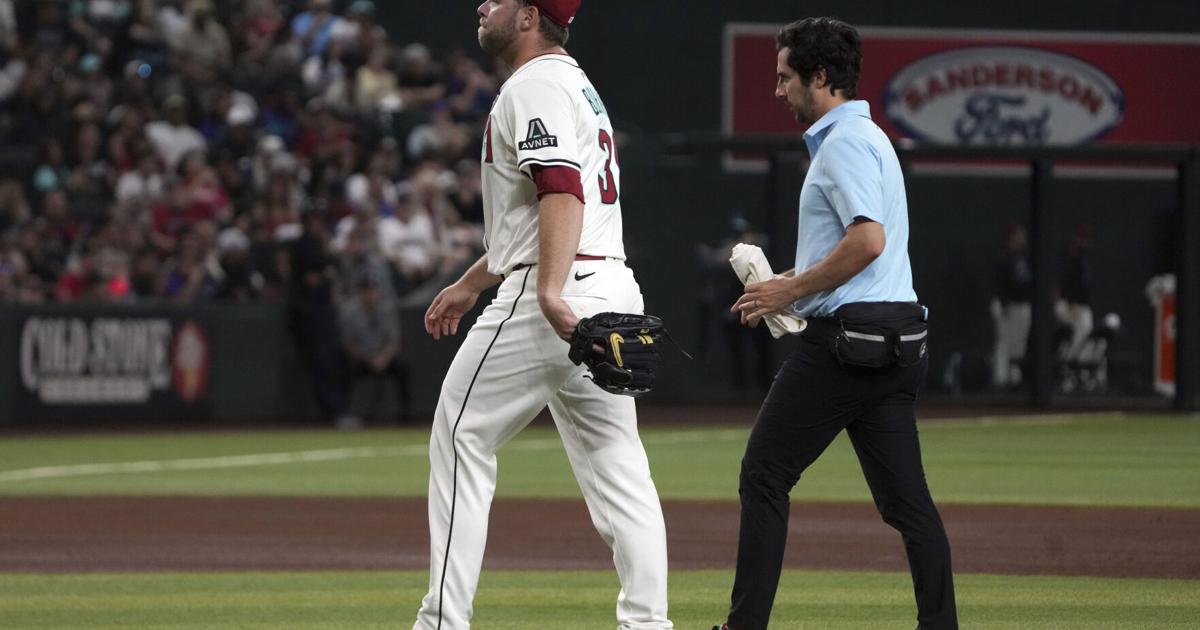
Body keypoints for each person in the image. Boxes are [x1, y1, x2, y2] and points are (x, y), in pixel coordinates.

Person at [413, 2, 672, 629]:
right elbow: (540, 210)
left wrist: (551, 293)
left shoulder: (535, 84)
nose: (482, 6)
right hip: (608, 282)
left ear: (529, 16)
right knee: (619, 464)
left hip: (554, 289)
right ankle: (648, 624)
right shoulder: (577, 84)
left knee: (460, 435)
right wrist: (475, 280)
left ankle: (441, 622)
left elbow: (560, 187)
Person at [714, 18, 958, 630]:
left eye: (785, 77)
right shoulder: (870, 137)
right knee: (909, 507)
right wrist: (786, 288)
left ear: (820, 77)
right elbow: (861, 254)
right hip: (899, 341)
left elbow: (868, 241)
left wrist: (789, 291)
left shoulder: (844, 142)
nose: (778, 91)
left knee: (764, 475)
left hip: (847, 347)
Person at [990, 223, 1032, 389]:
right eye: (1018, 235)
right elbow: (997, 283)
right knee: (1003, 342)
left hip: (1023, 305)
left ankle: (1014, 378)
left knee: (1019, 343)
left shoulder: (1024, 258)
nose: (1022, 238)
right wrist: (1001, 302)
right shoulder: (1003, 257)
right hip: (1007, 306)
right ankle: (1000, 378)